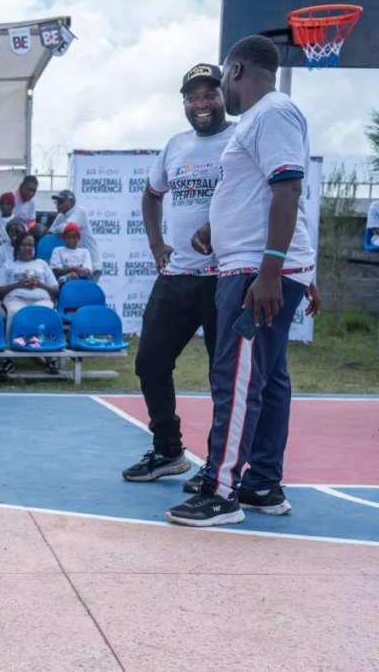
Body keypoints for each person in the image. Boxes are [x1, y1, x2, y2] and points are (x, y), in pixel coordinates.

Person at [167, 36, 322, 528]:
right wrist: (219, 226)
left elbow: (289, 188)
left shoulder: (272, 113)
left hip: (257, 271)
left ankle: (222, 490)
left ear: (235, 71)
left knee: (235, 380)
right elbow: (262, 191)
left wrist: (272, 270)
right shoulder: (264, 118)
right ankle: (261, 485)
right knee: (268, 380)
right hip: (257, 262)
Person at [121, 63, 235, 485]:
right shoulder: (176, 145)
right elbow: (151, 196)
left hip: (225, 277)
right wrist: (156, 245)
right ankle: (168, 450)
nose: (201, 104)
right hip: (177, 275)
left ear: (225, 95)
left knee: (222, 375)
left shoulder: (240, 138)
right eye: (193, 96)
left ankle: (219, 464)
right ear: (184, 102)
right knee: (150, 361)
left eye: (210, 94)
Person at [0, 231, 59, 332]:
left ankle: (43, 344)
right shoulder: (8, 264)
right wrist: (18, 285)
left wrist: (40, 284)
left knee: (44, 312)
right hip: (15, 299)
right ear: (18, 247)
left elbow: (55, 290)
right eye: (23, 245)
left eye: (30, 245)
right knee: (15, 312)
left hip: (42, 299)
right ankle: (12, 345)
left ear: (34, 247)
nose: (27, 248)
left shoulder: (42, 264)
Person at [47, 190, 101, 281]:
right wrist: (57, 231)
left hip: (91, 263)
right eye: (57, 202)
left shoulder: (79, 211)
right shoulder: (61, 216)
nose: (58, 204)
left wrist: (61, 231)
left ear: (71, 202)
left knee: (85, 294)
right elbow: (50, 233)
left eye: (61, 201)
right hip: (73, 264)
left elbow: (64, 228)